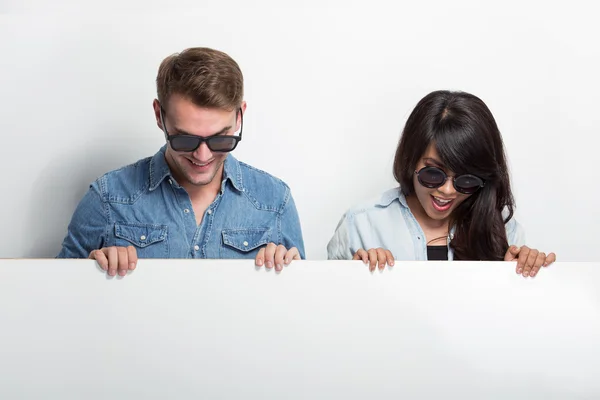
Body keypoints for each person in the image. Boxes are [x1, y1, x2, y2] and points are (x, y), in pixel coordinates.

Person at [58, 47, 305, 276]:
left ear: (239, 117)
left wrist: (292, 276)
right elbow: (56, 298)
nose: (203, 155)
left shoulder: (275, 202)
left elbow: (300, 311)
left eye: (220, 139)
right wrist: (89, 275)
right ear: (159, 115)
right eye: (185, 140)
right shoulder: (107, 198)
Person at [327, 90, 555, 278]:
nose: (447, 190)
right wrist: (353, 280)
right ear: (411, 160)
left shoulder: (503, 230)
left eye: (466, 180)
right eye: (433, 174)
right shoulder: (360, 224)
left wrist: (522, 276)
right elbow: (328, 314)